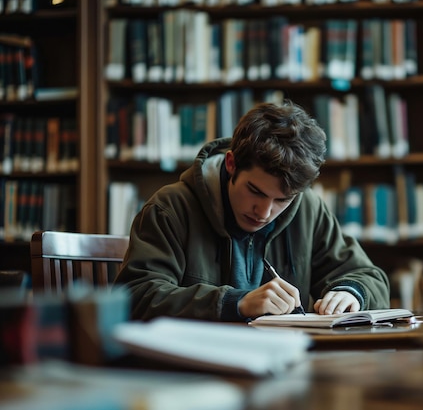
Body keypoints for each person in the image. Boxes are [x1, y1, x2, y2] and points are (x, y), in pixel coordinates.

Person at [114, 100, 390, 322]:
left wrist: (351, 292)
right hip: (194, 373)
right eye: (255, 191)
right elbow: (134, 296)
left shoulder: (308, 208)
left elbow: (371, 278)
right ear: (232, 164)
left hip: (285, 367)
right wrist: (236, 303)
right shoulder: (170, 208)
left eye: (282, 200)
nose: (265, 211)